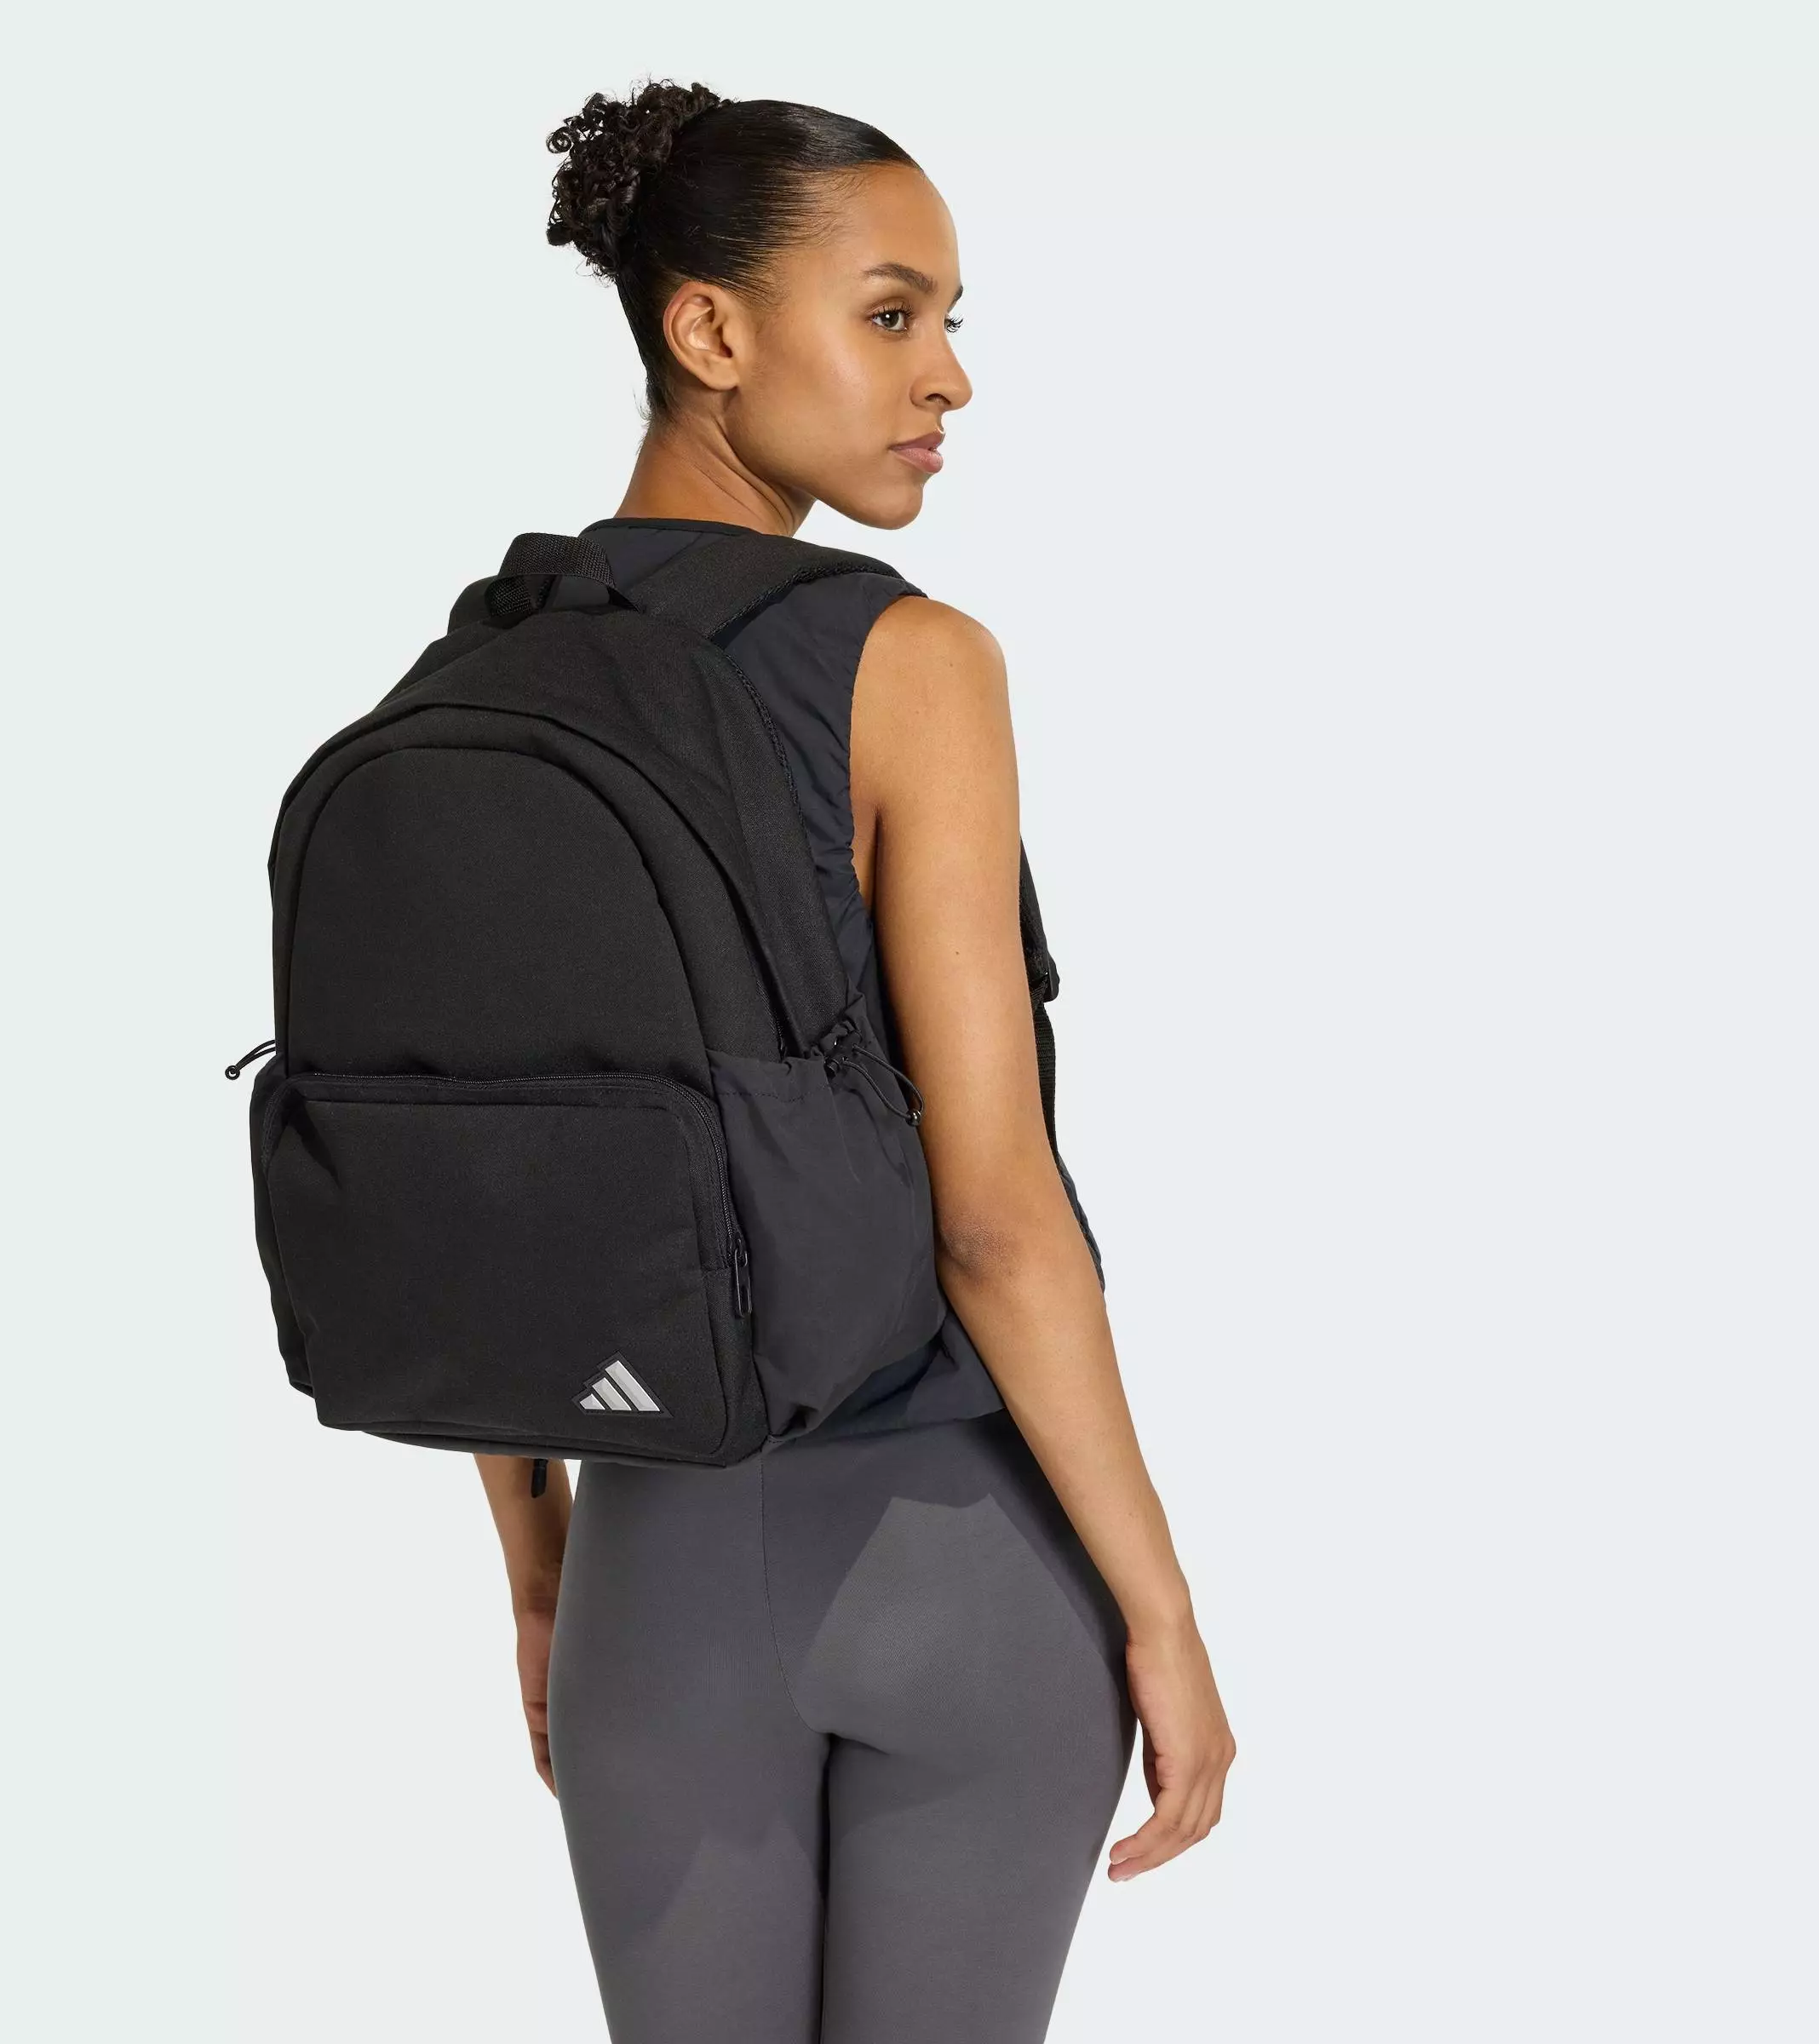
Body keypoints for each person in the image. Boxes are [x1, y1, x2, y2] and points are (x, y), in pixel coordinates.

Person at [470, 82, 1235, 2043]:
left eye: (952, 321)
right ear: (709, 331)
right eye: (892, 315)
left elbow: (498, 1178)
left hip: (649, 1568)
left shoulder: (488, 670)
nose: (948, 377)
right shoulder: (910, 661)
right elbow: (996, 1222)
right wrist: (1162, 1611)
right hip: (956, 1558)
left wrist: (542, 1571)